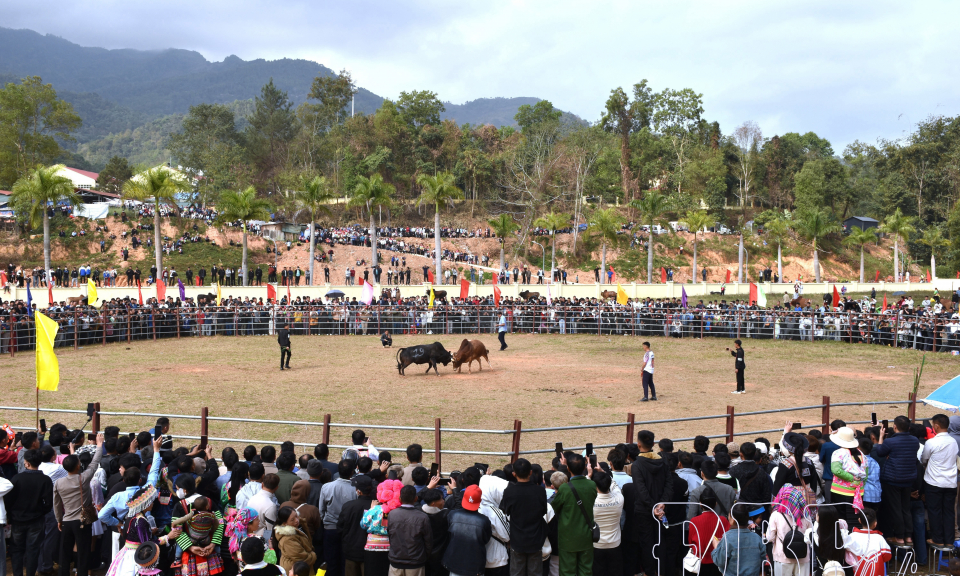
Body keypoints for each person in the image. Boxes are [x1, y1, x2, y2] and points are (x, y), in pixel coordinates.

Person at [53, 432, 104, 576]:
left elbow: (56, 504)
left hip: (67, 521)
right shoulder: (84, 478)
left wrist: (59, 519)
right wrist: (99, 445)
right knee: (83, 553)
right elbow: (95, 463)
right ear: (78, 466)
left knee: (65, 553)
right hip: (83, 521)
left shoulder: (58, 483)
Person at [873, 415, 919, 545]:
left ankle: (899, 537)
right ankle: (908, 537)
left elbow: (880, 452)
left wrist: (881, 437)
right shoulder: (914, 440)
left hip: (893, 479)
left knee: (896, 509)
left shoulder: (890, 442)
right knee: (905, 508)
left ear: (894, 427)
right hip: (908, 479)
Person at [6, 448, 52, 576]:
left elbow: (9, 500)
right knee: (33, 550)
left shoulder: (17, 478)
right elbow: (48, 503)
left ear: (26, 463)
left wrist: (10, 515)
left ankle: (17, 574)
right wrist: (40, 512)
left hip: (17, 520)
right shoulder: (45, 480)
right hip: (36, 520)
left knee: (16, 550)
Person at [551, 453, 597, 576]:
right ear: (584, 468)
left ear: (568, 469)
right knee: (586, 570)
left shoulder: (565, 489)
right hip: (586, 534)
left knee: (567, 571)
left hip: (568, 538)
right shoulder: (592, 485)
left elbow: (554, 506)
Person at [499, 458, 547, 576]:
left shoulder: (510, 491)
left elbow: (505, 510)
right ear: (530, 472)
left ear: (514, 474)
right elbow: (543, 511)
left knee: (516, 573)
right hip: (536, 539)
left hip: (517, 539)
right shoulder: (540, 491)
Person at [920, 414, 958, 548]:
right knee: (949, 511)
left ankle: (937, 538)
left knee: (935, 511)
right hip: (951, 482)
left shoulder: (932, 442)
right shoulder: (953, 441)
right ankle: (949, 539)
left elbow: (924, 459)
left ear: (936, 426)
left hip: (934, 482)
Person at [320, 461, 358, 576]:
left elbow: (321, 510)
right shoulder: (355, 489)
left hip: (330, 529)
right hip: (348, 530)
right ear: (352, 472)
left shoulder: (327, 487)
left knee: (331, 562)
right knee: (345, 562)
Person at [443, 485, 490, 576]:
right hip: (475, 566)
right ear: (479, 501)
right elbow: (486, 539)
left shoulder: (452, 515)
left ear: (464, 497)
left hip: (454, 562)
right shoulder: (484, 521)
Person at [765, 485, 811, 576]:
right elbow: (810, 536)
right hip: (803, 556)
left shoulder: (776, 514)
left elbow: (770, 538)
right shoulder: (806, 515)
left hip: (782, 557)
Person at [386, 485, 432, 575]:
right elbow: (428, 541)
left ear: (399, 498)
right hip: (415, 561)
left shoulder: (392, 514)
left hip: (396, 560)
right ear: (416, 498)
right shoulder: (422, 517)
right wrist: (424, 557)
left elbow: (390, 535)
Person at [361, 479, 402, 576]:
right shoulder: (397, 510)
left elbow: (364, 524)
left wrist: (370, 509)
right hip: (391, 546)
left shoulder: (375, 509)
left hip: (372, 546)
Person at [338, 475, 376, 576]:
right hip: (371, 551)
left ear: (358, 491)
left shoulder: (348, 506)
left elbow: (340, 528)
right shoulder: (377, 507)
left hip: (351, 551)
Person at [686, 487, 729, 576]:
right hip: (717, 563)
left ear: (700, 504)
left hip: (699, 562)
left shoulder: (694, 521)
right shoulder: (722, 520)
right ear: (716, 504)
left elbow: (691, 542)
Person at [711, 505, 764, 576]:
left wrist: (716, 546)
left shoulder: (728, 538)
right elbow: (762, 560)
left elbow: (720, 561)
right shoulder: (757, 538)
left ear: (733, 519)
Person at [592, 471, 624, 576]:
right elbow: (615, 487)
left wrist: (588, 475)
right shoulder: (619, 499)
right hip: (615, 544)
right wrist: (605, 473)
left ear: (595, 486)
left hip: (597, 545)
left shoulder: (591, 502)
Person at [842, 507, 890, 576]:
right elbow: (887, 556)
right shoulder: (879, 538)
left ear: (859, 520)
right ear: (875, 524)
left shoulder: (852, 536)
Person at [275, 507, 317, 575]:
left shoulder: (297, 527)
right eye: (292, 520)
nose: (296, 520)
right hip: (296, 570)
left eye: (296, 516)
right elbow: (301, 558)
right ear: (285, 523)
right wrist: (313, 555)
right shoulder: (288, 539)